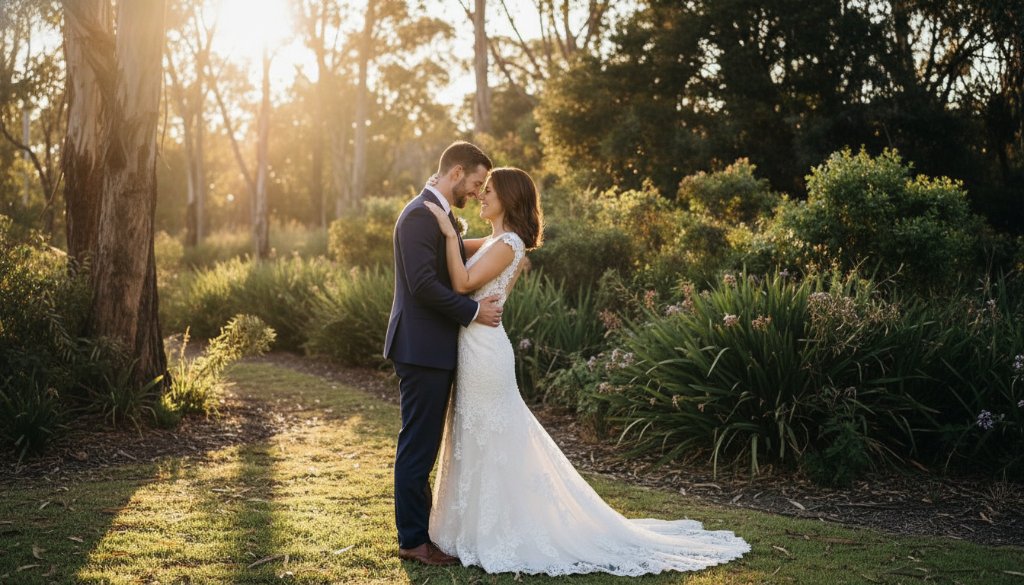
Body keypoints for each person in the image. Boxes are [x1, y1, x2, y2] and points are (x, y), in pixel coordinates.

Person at [419, 167, 751, 576]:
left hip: (486, 352)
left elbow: (463, 280)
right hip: (472, 348)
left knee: (494, 434)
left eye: (488, 191)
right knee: (475, 433)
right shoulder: (491, 240)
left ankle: (506, 529)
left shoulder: (509, 244)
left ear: (509, 197)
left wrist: (451, 235)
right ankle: (471, 525)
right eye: (480, 189)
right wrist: (435, 216)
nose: (481, 195)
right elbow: (440, 254)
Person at [384, 141, 504, 566]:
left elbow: (450, 256)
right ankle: (413, 540)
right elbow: (422, 285)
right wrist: (473, 311)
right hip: (421, 349)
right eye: (474, 183)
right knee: (418, 445)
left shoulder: (437, 214)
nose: (475, 192)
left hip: (432, 348)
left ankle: (418, 534)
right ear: (456, 173)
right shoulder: (420, 215)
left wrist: (503, 243)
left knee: (424, 442)